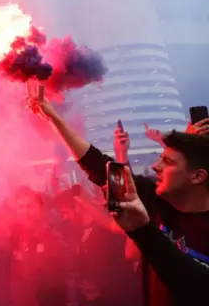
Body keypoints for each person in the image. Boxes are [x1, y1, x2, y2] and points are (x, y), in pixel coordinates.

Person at [29, 97, 209, 305]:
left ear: (198, 176)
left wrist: (142, 231)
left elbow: (198, 288)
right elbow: (98, 165)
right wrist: (54, 118)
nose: (155, 167)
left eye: (167, 162)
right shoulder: (157, 200)